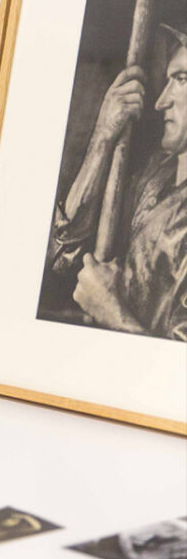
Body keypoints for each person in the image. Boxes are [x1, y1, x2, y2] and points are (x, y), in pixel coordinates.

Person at [45, 23, 187, 341]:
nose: (161, 101)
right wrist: (103, 136)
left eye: (181, 79)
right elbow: (62, 257)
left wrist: (111, 312)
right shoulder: (157, 174)